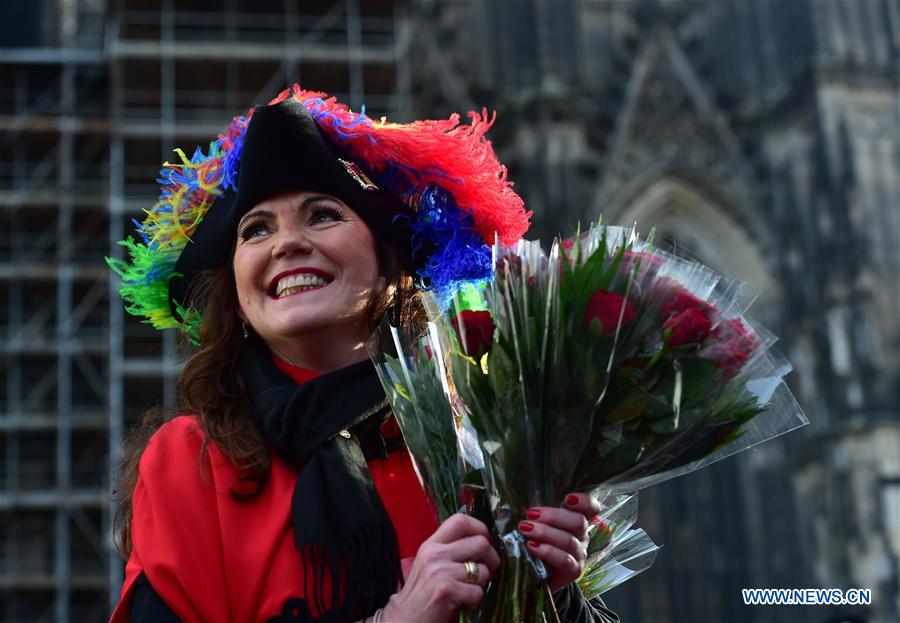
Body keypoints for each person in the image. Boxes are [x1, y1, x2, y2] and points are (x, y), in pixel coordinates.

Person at [107, 85, 620, 623]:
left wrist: (551, 592)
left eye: (322, 215)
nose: (286, 243)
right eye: (256, 229)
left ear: (390, 262)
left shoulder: (482, 445)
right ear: (234, 294)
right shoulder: (191, 464)